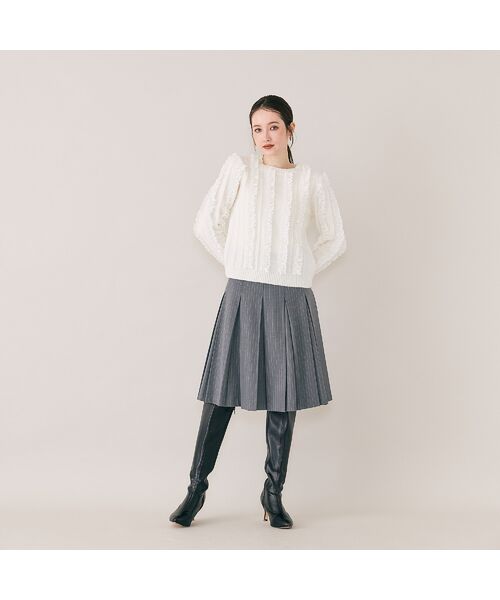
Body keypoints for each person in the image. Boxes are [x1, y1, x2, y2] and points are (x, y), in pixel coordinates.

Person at [169, 94, 347, 529]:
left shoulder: (311, 181)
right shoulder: (240, 170)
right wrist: (237, 264)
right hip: (243, 294)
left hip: (290, 298)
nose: (265, 136)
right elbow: (206, 223)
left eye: (273, 127)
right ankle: (195, 489)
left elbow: (335, 239)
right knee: (220, 396)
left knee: (283, 401)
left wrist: (299, 269)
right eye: (257, 129)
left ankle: (273, 493)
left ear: (291, 129)